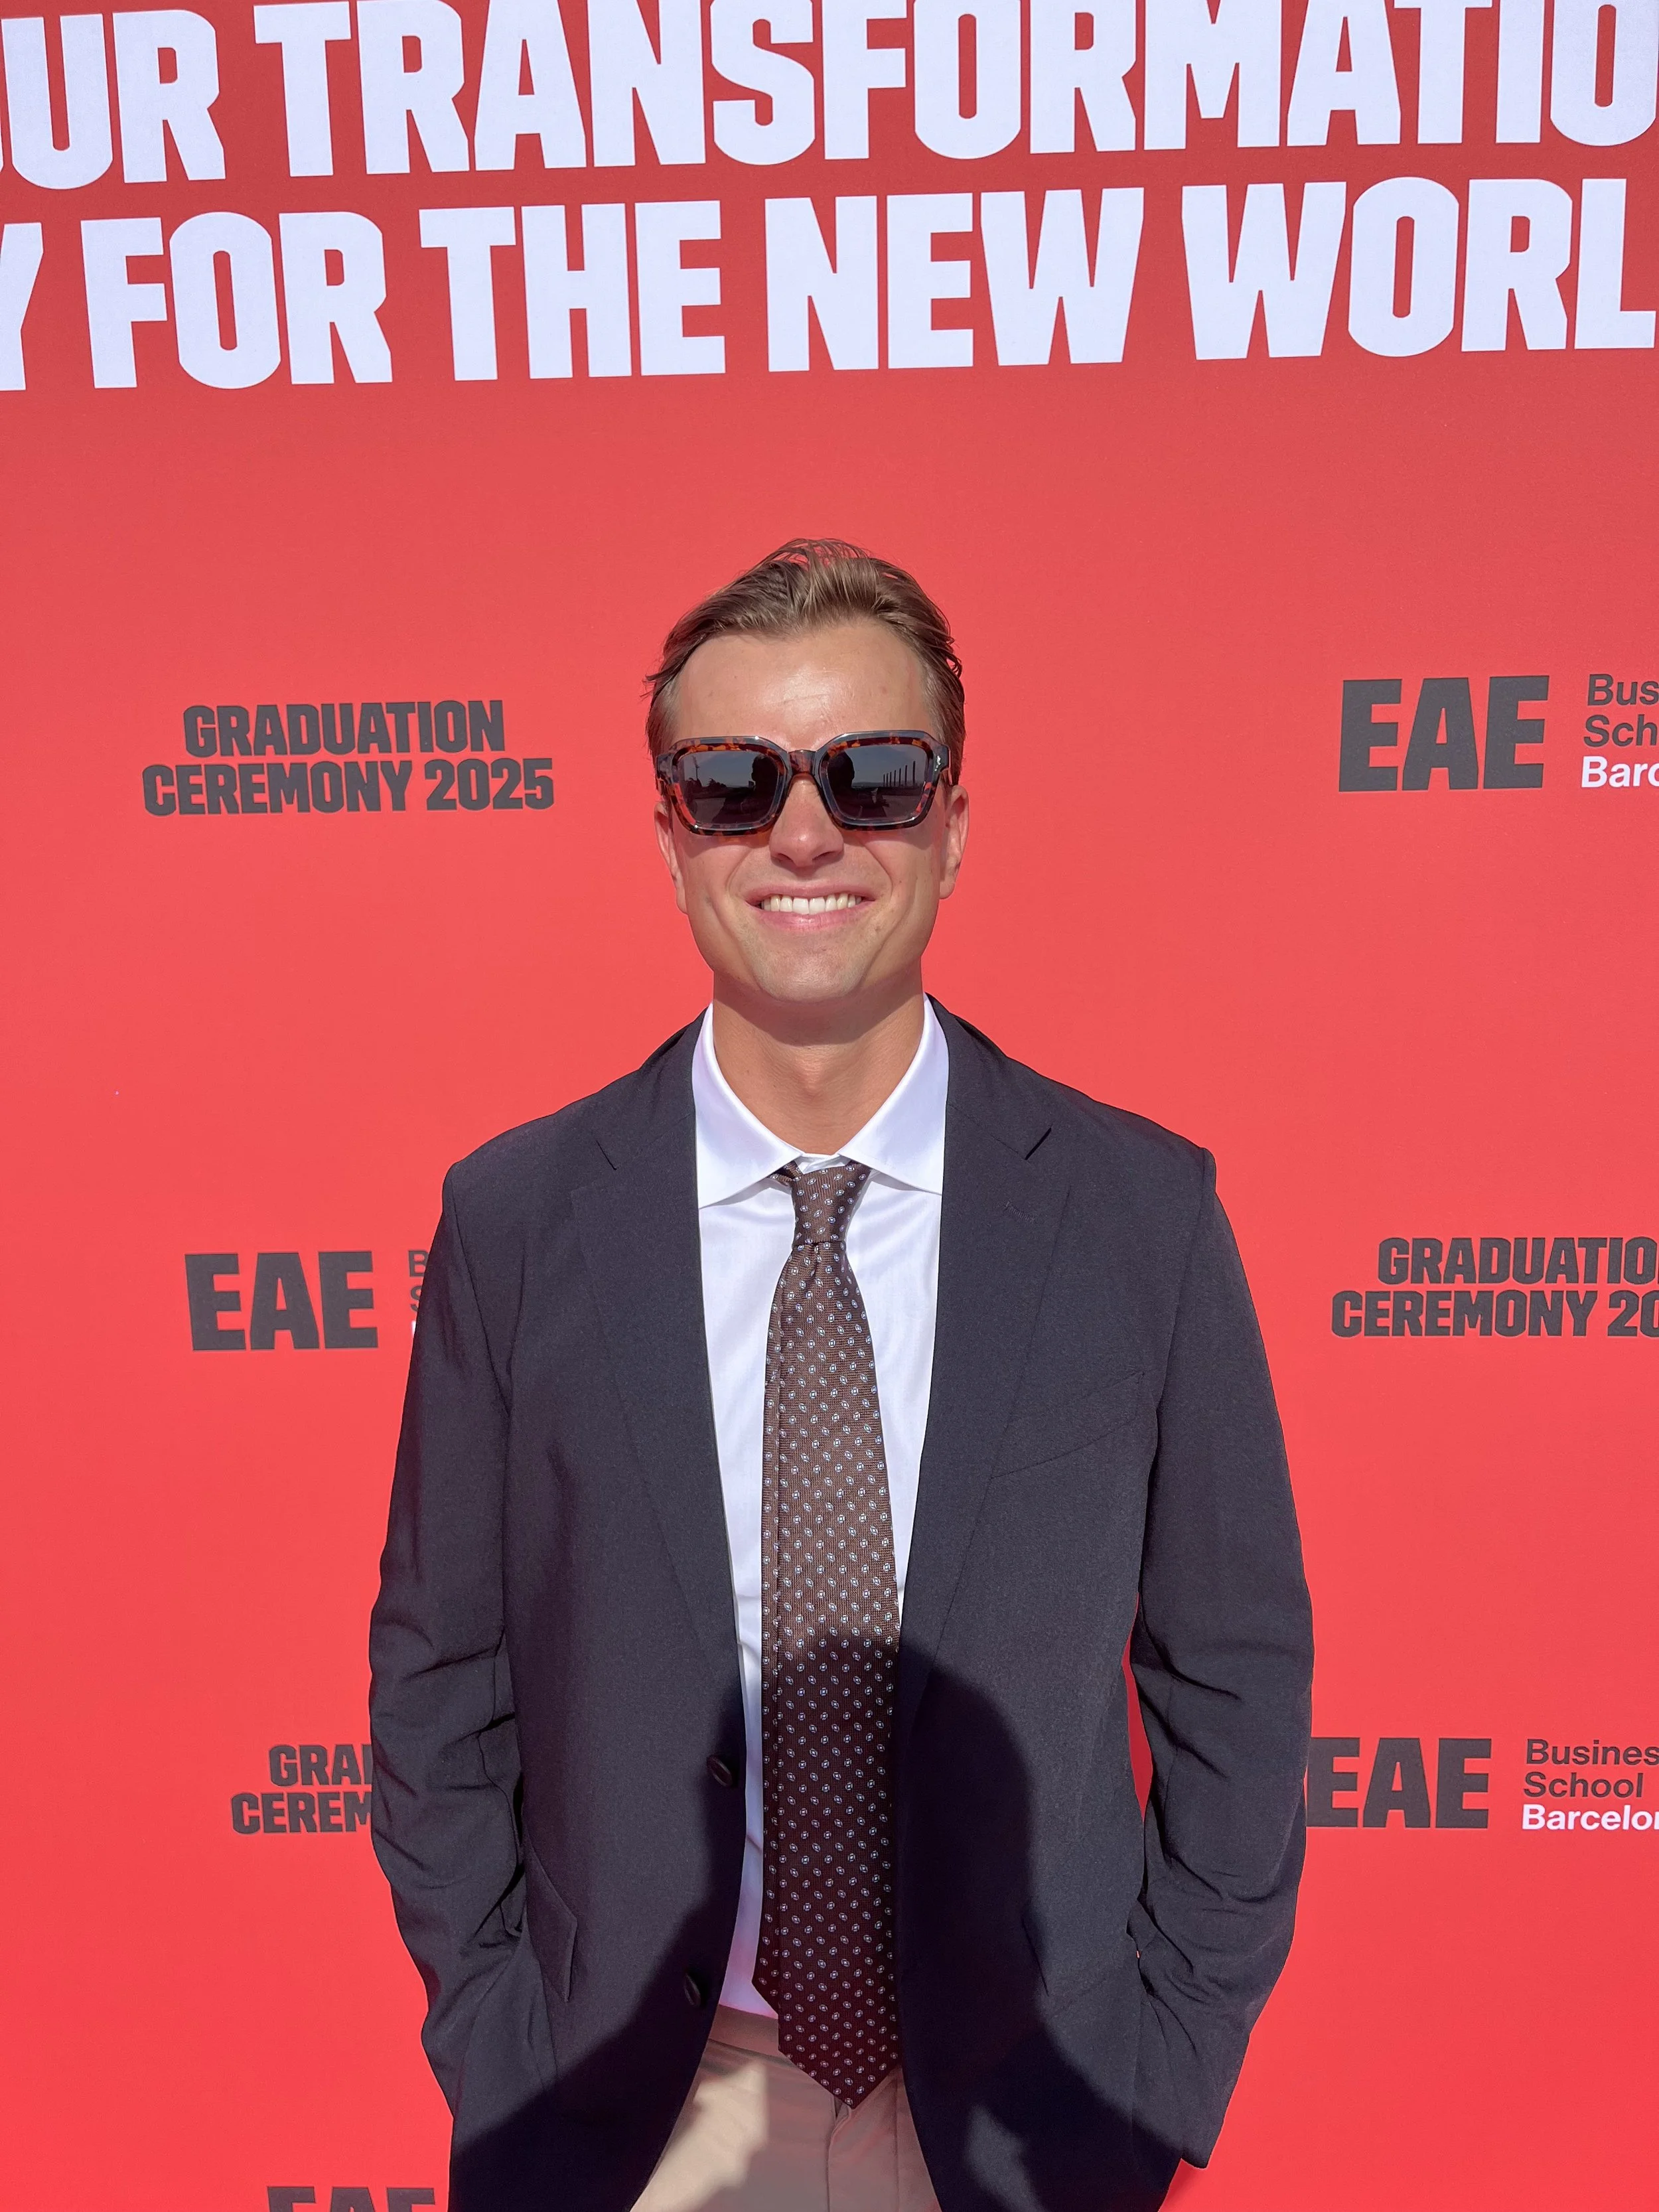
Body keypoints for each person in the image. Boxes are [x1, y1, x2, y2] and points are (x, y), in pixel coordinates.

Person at [370, 540, 1313, 2212]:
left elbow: (1232, 1672)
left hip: (1032, 2120)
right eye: (730, 782)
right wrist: (504, 2046)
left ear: (954, 821)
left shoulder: (1136, 1214)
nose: (802, 831)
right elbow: (442, 1679)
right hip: (637, 2121)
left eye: (870, 776)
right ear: (670, 840)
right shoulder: (515, 1222)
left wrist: (1159, 2061)